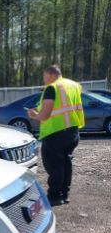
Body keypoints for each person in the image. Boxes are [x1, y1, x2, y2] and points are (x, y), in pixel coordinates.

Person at [27, 65, 84, 206]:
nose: (44, 81)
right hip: (72, 130)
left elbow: (45, 114)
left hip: (55, 132)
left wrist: (34, 115)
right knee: (66, 163)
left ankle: (54, 196)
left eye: (45, 77)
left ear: (51, 75)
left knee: (54, 165)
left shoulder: (52, 88)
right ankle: (64, 194)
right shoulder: (73, 85)